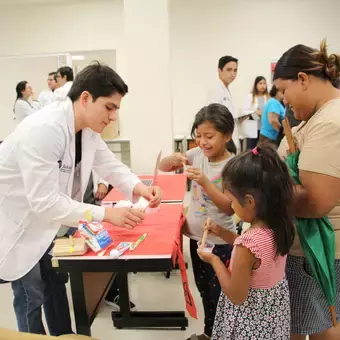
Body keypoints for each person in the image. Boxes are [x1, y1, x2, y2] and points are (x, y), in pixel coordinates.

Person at [0, 62, 162, 335]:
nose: (113, 117)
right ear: (85, 98)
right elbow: (44, 201)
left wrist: (138, 188)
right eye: (109, 107)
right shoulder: (45, 129)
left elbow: (108, 164)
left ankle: (64, 335)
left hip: (47, 222)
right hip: (17, 224)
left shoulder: (85, 129)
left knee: (54, 285)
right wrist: (106, 214)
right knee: (31, 295)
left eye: (116, 110)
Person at [275, 40, 340, 339]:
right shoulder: (316, 118)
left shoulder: (330, 122)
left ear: (302, 79)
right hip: (305, 251)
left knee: (324, 328)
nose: (284, 100)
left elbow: (315, 202)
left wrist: (266, 189)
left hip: (317, 253)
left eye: (284, 90)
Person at [198, 145, 294, 339]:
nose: (231, 206)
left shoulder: (248, 244)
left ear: (250, 202)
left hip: (249, 323)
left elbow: (236, 295)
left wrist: (214, 260)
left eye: (232, 201)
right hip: (271, 318)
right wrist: (220, 231)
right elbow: (254, 255)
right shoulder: (279, 225)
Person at [159, 104, 236, 340]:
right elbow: (163, 167)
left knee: (220, 295)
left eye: (209, 136)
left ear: (228, 136)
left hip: (220, 242)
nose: (203, 142)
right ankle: (209, 332)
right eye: (198, 135)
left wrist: (205, 182)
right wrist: (171, 159)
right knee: (203, 291)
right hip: (195, 238)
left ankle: (220, 334)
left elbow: (229, 207)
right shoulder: (196, 155)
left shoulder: (232, 166)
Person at [207, 56, 240, 152]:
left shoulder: (226, 90)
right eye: (229, 70)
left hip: (230, 139)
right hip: (224, 143)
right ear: (219, 71)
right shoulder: (215, 90)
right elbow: (214, 119)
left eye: (235, 70)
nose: (233, 73)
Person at [243, 76, 270, 149]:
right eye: (260, 83)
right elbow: (245, 111)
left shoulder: (268, 97)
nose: (263, 85)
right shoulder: (250, 96)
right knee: (251, 148)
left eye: (264, 83)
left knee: (263, 149)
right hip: (252, 127)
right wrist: (255, 112)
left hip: (264, 128)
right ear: (256, 85)